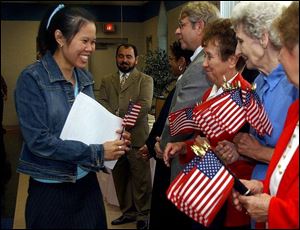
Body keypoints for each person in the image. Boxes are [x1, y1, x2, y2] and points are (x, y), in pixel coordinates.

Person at [14, 4, 131, 229]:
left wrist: (114, 141)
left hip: (86, 185)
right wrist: (97, 152)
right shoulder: (32, 79)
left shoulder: (85, 79)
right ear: (60, 37)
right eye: (85, 41)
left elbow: (87, 128)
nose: (91, 48)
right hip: (50, 190)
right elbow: (39, 141)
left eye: (94, 42)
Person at [163, 18, 255, 229]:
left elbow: (255, 153)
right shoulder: (208, 94)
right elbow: (205, 144)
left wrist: (239, 153)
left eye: (209, 57)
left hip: (230, 205)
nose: (204, 63)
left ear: (231, 60)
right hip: (206, 197)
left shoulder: (246, 97)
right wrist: (183, 147)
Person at [232, 2, 299, 228]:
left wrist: (258, 152)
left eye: (241, 41)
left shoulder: (293, 84)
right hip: (268, 195)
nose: (237, 52)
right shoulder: (258, 83)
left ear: (262, 38)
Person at [153, 1, 219, 228]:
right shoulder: (197, 63)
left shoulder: (202, 66)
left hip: (190, 166)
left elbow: (183, 115)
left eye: (182, 25)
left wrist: (165, 143)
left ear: (199, 26)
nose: (177, 31)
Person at [138, 40, 193, 229]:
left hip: (170, 155)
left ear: (182, 62)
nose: (168, 63)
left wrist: (160, 144)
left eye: (171, 59)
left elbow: (171, 121)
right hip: (163, 148)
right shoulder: (177, 84)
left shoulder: (187, 85)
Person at [98, 43, 153, 229]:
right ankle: (128, 212)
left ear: (136, 59)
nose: (124, 60)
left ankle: (143, 215)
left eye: (129, 56)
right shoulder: (107, 80)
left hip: (136, 138)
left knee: (141, 180)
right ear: (116, 58)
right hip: (114, 140)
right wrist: (114, 124)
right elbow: (103, 102)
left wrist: (122, 124)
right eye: (121, 56)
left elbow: (144, 104)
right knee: (120, 179)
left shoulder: (144, 80)